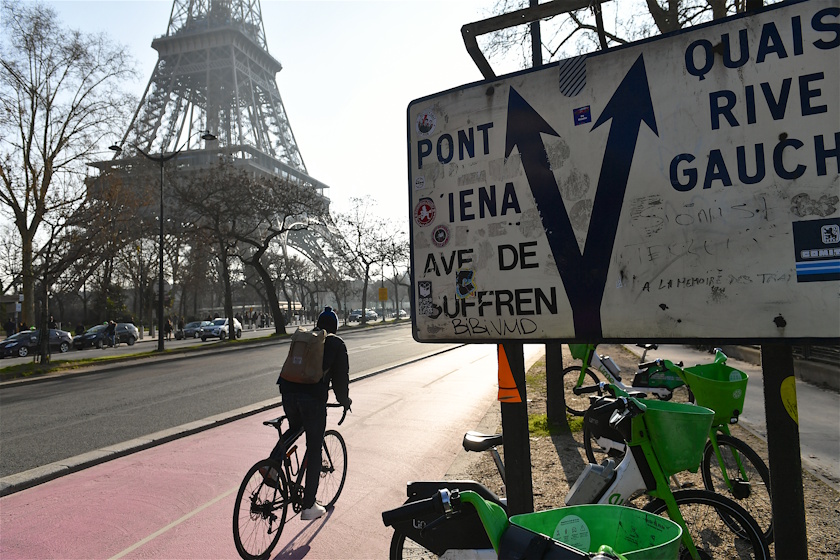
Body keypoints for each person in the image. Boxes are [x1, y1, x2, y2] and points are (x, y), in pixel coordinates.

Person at [274, 306, 351, 521]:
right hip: (313, 401)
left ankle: (272, 465)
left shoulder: (307, 339)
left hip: (288, 393)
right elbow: (340, 380)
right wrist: (345, 402)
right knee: (314, 447)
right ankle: (309, 506)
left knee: (295, 428)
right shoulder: (335, 343)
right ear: (335, 326)